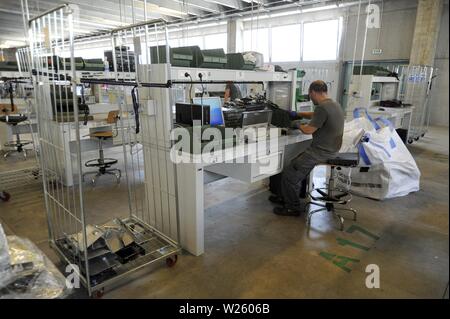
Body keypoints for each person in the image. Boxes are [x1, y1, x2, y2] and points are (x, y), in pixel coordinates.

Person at [270, 80, 345, 216]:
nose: (310, 98)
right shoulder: (334, 104)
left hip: (321, 152)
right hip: (332, 149)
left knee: (290, 173)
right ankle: (285, 196)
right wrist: (298, 114)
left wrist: (296, 124)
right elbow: (315, 115)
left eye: (310, 95)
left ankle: (292, 207)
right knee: (293, 163)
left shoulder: (322, 107)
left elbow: (309, 130)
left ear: (313, 92)